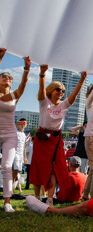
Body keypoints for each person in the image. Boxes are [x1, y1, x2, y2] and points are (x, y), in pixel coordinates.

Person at [30, 65, 86, 206]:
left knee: (54, 169)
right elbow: (41, 91)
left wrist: (81, 81)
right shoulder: (44, 103)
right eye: (58, 90)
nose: (61, 92)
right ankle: (37, 198)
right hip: (42, 138)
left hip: (55, 140)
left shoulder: (63, 105)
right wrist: (42, 75)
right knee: (37, 168)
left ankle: (50, 199)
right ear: (51, 91)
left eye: (63, 91)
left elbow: (73, 98)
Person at [0, 48, 30, 212]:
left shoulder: (13, 96)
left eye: (10, 77)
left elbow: (24, 84)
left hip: (9, 135)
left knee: (6, 167)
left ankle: (7, 203)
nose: (8, 79)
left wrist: (26, 69)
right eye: (4, 76)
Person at [12, 118, 28, 192]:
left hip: (21, 155)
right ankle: (10, 189)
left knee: (16, 173)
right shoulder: (15, 132)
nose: (23, 125)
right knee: (13, 171)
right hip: (15, 154)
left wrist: (25, 157)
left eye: (24, 123)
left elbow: (24, 146)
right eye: (22, 123)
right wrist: (16, 126)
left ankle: (11, 188)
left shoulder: (24, 134)